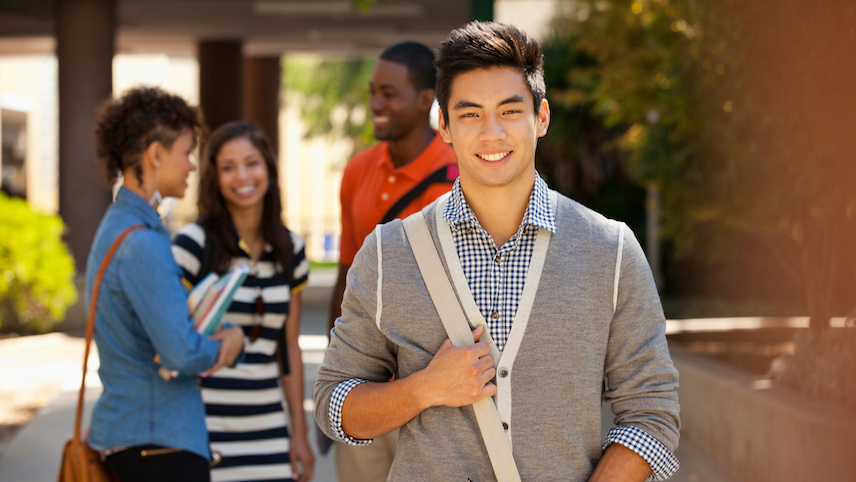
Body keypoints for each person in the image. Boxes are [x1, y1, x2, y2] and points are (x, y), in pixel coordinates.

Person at [314, 21, 681, 481]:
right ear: (444, 125)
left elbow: (653, 414)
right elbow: (334, 405)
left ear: (541, 117)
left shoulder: (610, 251)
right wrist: (423, 389)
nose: (492, 133)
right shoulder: (390, 253)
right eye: (469, 114)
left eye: (510, 111)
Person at [86, 87, 245, 482]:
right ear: (156, 155)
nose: (192, 165)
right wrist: (227, 345)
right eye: (186, 153)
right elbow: (181, 353)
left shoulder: (117, 227)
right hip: (158, 443)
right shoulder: (142, 242)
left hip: (136, 435)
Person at [325, 41, 457, 482]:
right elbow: (346, 275)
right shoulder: (357, 171)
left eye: (389, 93)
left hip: (435, 389)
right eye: (372, 92)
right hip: (368, 387)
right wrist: (333, 376)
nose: (376, 104)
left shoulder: (462, 173)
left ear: (425, 101)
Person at [172, 121, 315, 482]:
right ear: (213, 178)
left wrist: (299, 430)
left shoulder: (290, 249)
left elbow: (289, 348)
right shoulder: (192, 244)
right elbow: (170, 333)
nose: (242, 176)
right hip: (205, 421)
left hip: (269, 423)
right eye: (227, 167)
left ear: (267, 167)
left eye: (251, 162)